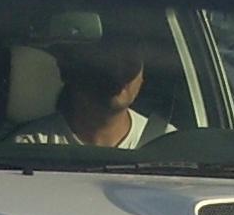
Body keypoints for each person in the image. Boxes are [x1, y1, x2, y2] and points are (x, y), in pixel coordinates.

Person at [11, 38, 170, 148]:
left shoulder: (167, 145)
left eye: (130, 65)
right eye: (106, 64)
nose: (118, 74)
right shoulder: (30, 146)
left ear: (142, 76)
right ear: (69, 70)